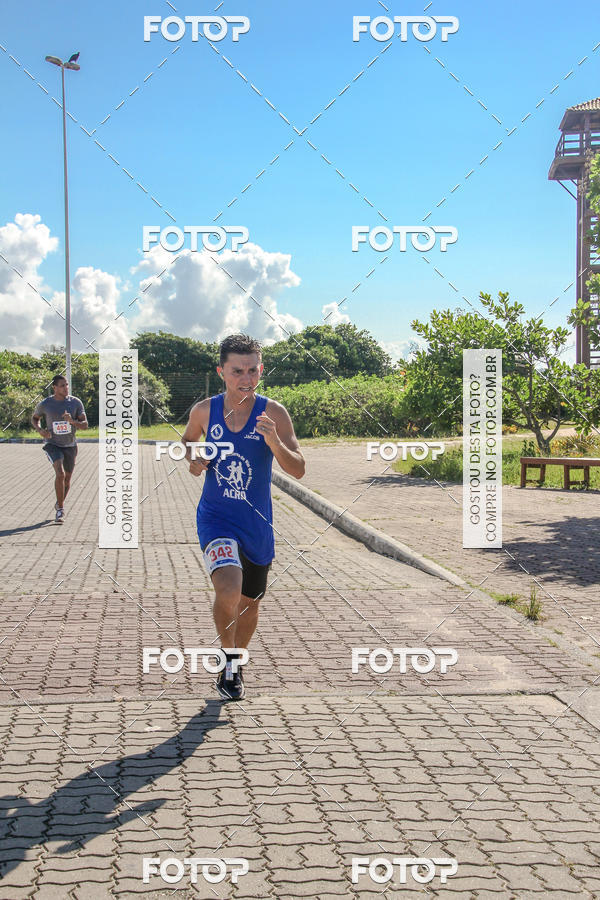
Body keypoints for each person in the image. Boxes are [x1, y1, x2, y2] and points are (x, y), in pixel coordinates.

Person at [181, 334, 305, 700]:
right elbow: (188, 440)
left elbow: (298, 469)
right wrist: (193, 458)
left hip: (257, 525)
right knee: (229, 588)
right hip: (216, 517)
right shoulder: (205, 411)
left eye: (253, 370)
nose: (246, 378)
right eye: (238, 371)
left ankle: (234, 663)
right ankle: (226, 653)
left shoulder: (274, 413)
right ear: (221, 371)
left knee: (250, 602)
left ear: (261, 370)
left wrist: (274, 443)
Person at [31, 375, 88, 524]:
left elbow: (85, 425)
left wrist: (72, 421)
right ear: (54, 388)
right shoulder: (46, 404)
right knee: (60, 474)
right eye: (62, 385)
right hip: (52, 444)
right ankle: (60, 510)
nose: (66, 388)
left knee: (67, 479)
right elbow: (35, 418)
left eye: (67, 385)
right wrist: (40, 430)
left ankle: (59, 502)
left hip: (70, 445)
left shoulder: (75, 403)